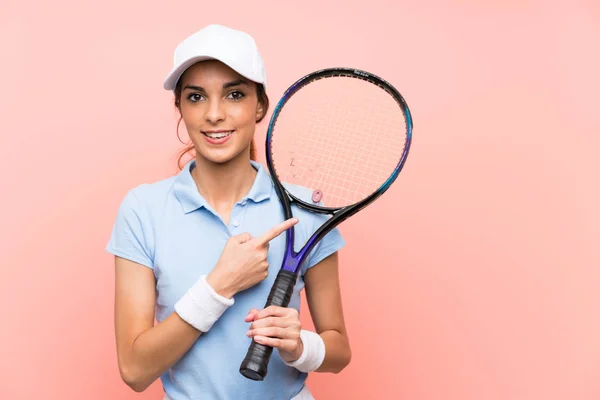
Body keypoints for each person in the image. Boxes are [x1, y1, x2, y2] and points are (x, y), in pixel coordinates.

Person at [105, 24, 351, 400]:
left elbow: (338, 351)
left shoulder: (305, 211)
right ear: (180, 108)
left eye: (234, 94)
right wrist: (220, 285)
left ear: (260, 106)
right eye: (196, 97)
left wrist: (300, 346)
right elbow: (135, 370)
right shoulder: (143, 210)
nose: (215, 114)